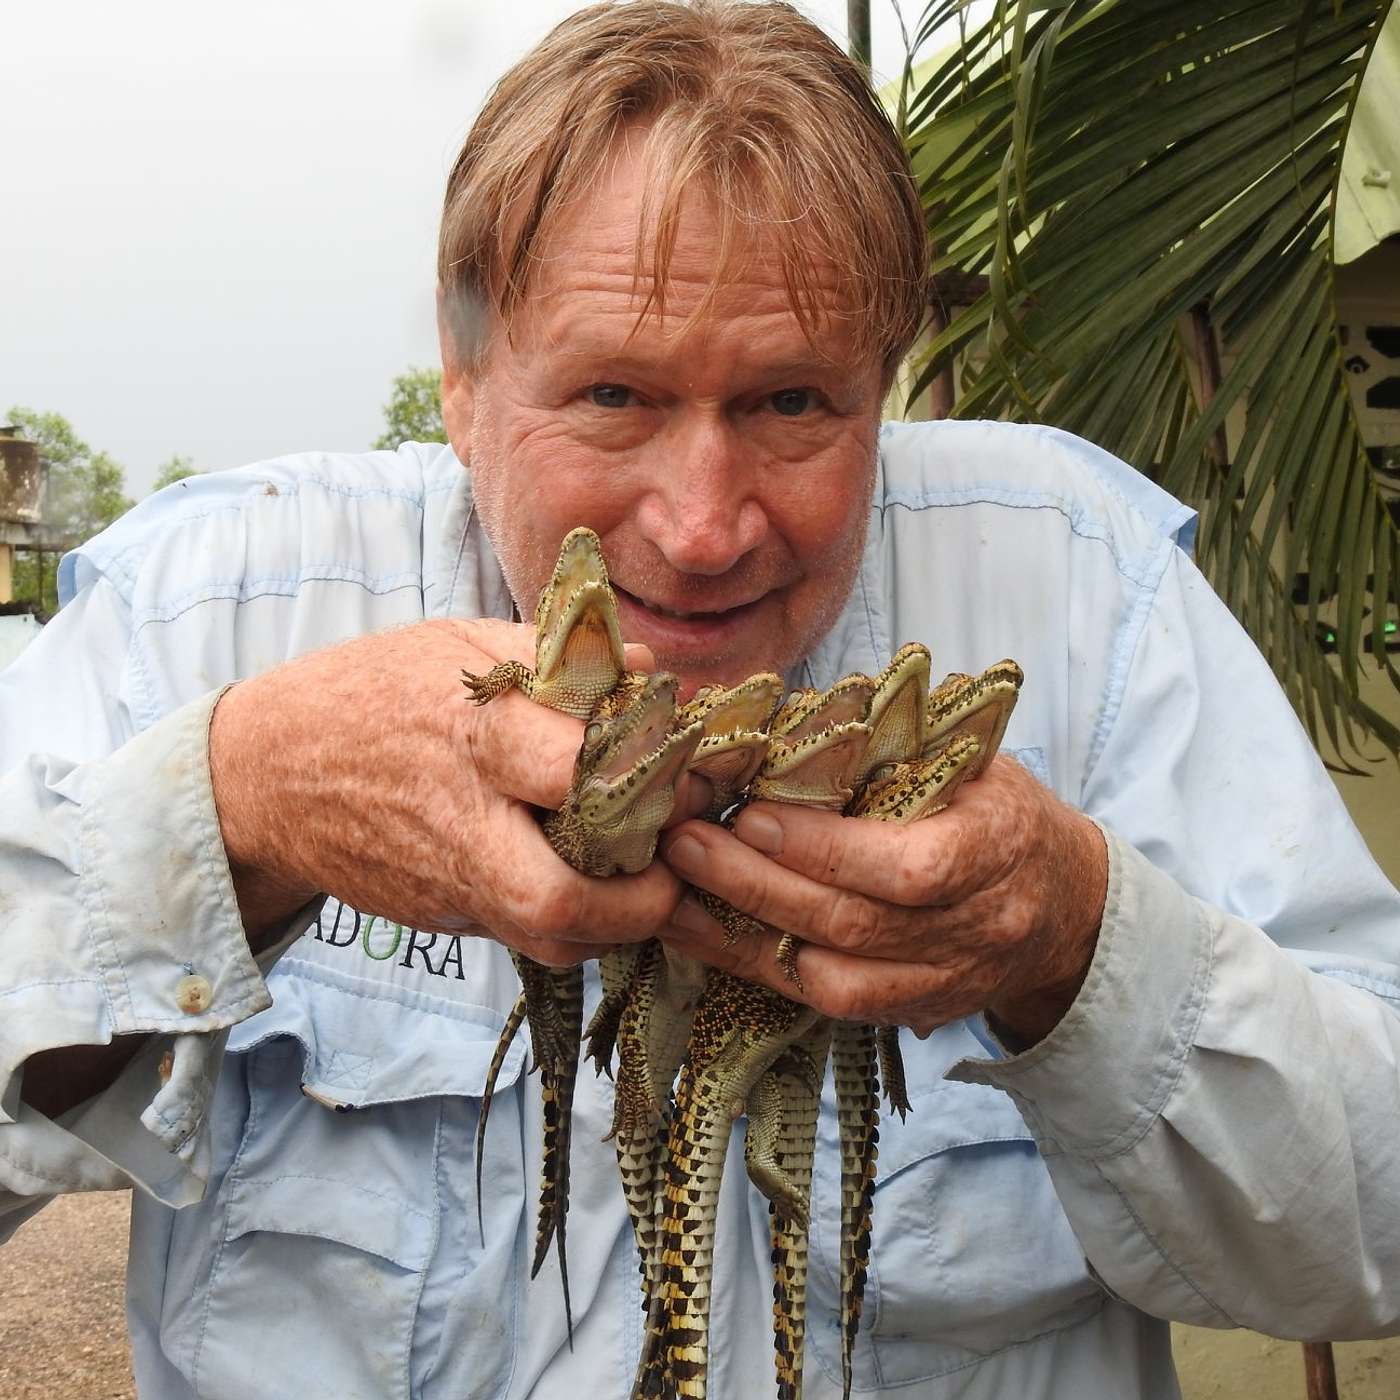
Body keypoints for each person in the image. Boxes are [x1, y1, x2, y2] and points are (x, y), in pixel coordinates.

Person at [3, 3, 1399, 1397]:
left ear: (886, 378)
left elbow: (1372, 1238)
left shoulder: (1084, 585)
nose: (703, 526)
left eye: (794, 403)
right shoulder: (217, 611)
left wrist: (1079, 939)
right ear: (468, 372)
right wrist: (236, 810)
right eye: (614, 393)